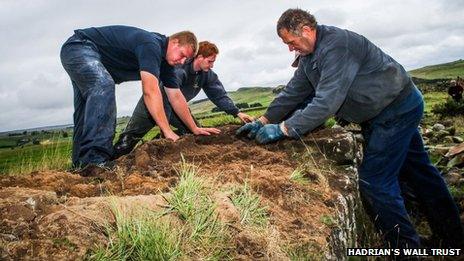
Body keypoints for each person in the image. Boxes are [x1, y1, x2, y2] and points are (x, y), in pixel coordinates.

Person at [237, 8, 464, 248]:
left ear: (306, 30)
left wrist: (283, 129)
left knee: (375, 181)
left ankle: (407, 249)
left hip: (396, 109)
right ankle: (452, 237)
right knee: (419, 172)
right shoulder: (309, 57)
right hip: (382, 114)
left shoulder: (337, 46)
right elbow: (293, 93)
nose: (290, 48)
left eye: (291, 42)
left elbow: (326, 101)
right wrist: (262, 120)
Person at [61, 25, 219, 171]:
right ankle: (95, 160)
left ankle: (80, 166)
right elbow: (150, 91)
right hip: (80, 46)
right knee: (103, 86)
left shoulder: (167, 64)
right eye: (182, 55)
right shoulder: (151, 45)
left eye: (186, 60)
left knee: (85, 111)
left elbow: (176, 97)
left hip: (85, 54)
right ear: (175, 42)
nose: (182, 61)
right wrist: (167, 130)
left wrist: (194, 128)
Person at [113, 41, 253, 158]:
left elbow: (219, 95)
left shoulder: (207, 75)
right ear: (199, 57)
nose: (212, 65)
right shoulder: (179, 70)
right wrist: (165, 131)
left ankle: (156, 144)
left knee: (196, 132)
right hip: (151, 107)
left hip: (177, 109)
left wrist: (237, 112)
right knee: (128, 140)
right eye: (210, 61)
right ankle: (108, 163)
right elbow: (165, 98)